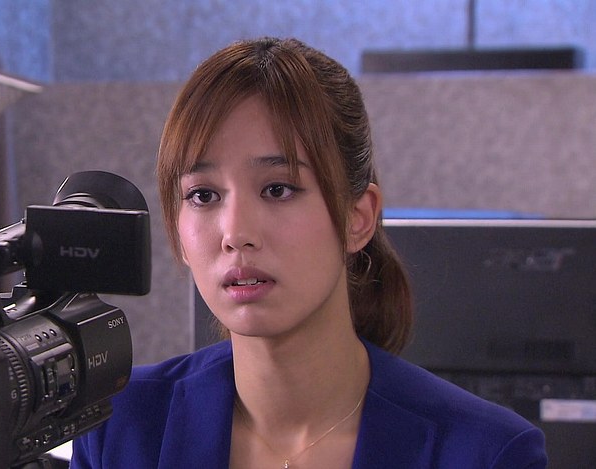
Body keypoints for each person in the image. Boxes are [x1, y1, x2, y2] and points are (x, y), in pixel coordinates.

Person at [70, 37, 547, 468]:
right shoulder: (118, 427)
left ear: (358, 218)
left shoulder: (487, 453)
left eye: (277, 189)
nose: (235, 234)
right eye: (203, 195)